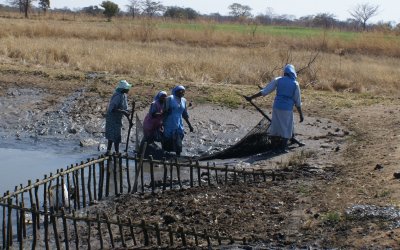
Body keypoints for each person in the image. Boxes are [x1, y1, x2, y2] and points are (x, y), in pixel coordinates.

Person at [245, 64, 304, 152]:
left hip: (276, 107)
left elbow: (265, 91)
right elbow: (297, 102)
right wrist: (301, 115)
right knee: (286, 127)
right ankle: (282, 148)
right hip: (287, 109)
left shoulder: (278, 80)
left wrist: (251, 97)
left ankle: (276, 145)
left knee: (276, 126)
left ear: (285, 72)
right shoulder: (295, 84)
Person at [162, 85, 194, 157]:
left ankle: (178, 155)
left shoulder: (184, 100)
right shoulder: (170, 98)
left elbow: (184, 114)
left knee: (179, 137)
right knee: (168, 137)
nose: (182, 92)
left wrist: (190, 125)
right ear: (175, 91)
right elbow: (164, 111)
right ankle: (165, 154)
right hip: (169, 121)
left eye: (183, 91)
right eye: (180, 91)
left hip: (179, 122)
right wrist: (161, 123)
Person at [105, 80, 133, 155]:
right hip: (112, 118)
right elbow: (112, 109)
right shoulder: (118, 96)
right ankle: (114, 152)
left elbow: (126, 110)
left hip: (118, 118)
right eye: (127, 88)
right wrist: (123, 112)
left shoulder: (124, 95)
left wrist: (129, 120)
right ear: (123, 89)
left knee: (115, 134)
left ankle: (111, 151)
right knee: (114, 135)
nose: (128, 89)